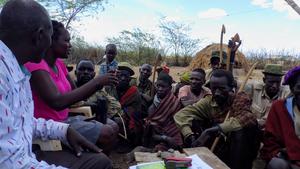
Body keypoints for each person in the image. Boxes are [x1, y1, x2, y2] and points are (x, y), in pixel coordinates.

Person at [0, 0, 111, 168]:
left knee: (100, 161)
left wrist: (62, 130)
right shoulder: (3, 76)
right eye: (50, 37)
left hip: (27, 152)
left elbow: (23, 122)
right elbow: (10, 163)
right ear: (39, 36)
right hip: (23, 159)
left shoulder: (17, 69)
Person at [24, 20, 119, 153]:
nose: (70, 45)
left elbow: (75, 92)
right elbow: (57, 102)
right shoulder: (36, 65)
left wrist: (98, 86)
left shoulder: (59, 64)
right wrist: (97, 82)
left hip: (66, 118)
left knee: (113, 126)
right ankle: (94, 158)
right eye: (66, 41)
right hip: (48, 125)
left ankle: (95, 157)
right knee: (107, 132)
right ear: (51, 41)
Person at [174, 69, 259, 169]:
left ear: (231, 87)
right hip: (219, 146)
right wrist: (190, 136)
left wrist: (214, 130)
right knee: (194, 123)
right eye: (214, 89)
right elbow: (181, 116)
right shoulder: (209, 101)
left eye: (222, 89)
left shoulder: (239, 99)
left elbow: (248, 118)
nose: (217, 93)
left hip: (240, 149)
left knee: (241, 131)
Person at [261, 66, 300, 169]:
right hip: (288, 158)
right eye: (299, 87)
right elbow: (270, 141)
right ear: (292, 88)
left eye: (277, 82)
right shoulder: (280, 107)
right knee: (277, 164)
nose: (274, 86)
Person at [143, 72, 183, 151]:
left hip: (171, 132)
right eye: (158, 86)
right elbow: (152, 124)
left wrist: (168, 137)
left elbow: (176, 123)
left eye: (163, 87)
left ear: (170, 88)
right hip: (156, 134)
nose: (160, 89)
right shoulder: (153, 103)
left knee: (175, 144)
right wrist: (165, 138)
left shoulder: (175, 102)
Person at [248, 64, 290, 128]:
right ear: (264, 80)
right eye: (271, 82)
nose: (275, 86)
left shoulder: (286, 94)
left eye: (278, 82)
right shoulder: (254, 90)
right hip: (254, 130)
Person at [116, 62, 143, 146]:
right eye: (120, 76)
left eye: (126, 77)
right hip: (114, 113)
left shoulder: (134, 91)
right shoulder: (111, 88)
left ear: (129, 79)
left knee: (119, 121)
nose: (123, 79)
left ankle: (127, 142)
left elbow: (136, 111)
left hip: (130, 118)